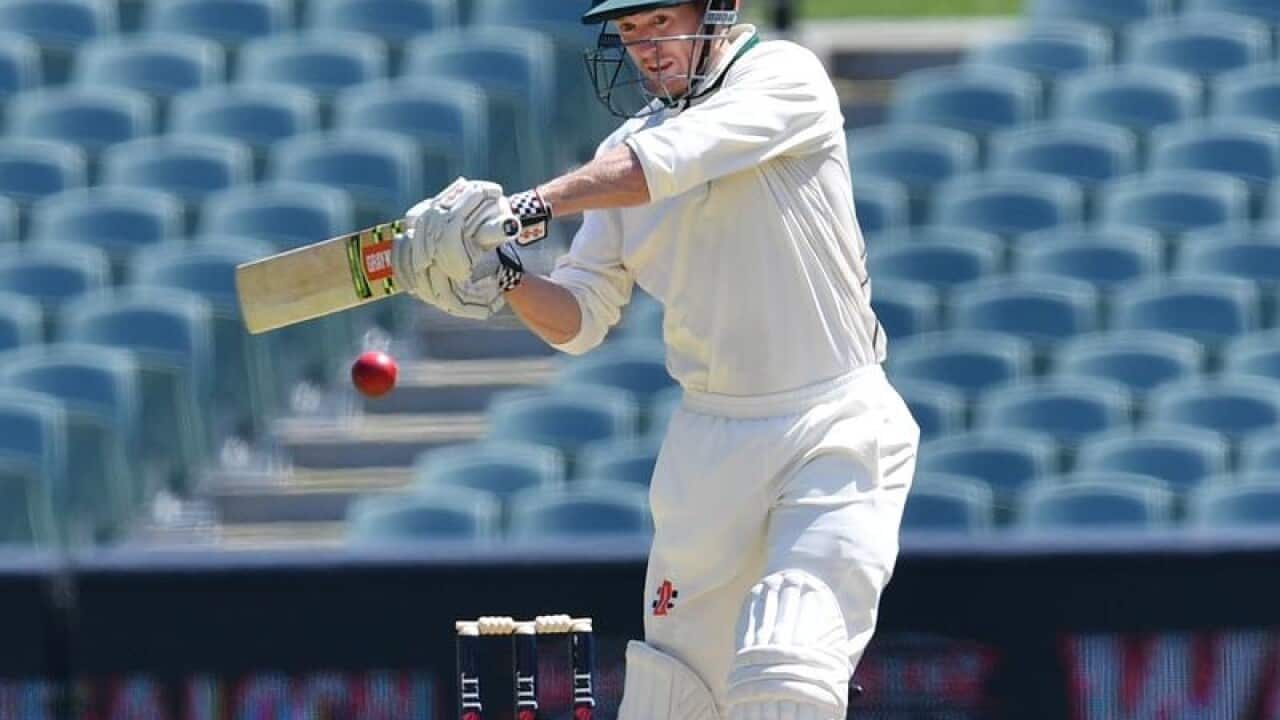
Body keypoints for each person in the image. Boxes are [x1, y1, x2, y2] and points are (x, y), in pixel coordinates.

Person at [389, 1, 920, 718]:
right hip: (707, 452)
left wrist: (525, 207)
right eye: (630, 32)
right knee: (671, 699)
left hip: (833, 427)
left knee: (785, 669)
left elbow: (667, 164)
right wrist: (506, 276)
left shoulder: (784, 78)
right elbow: (578, 318)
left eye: (660, 21)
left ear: (716, 11)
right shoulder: (622, 150)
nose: (644, 47)